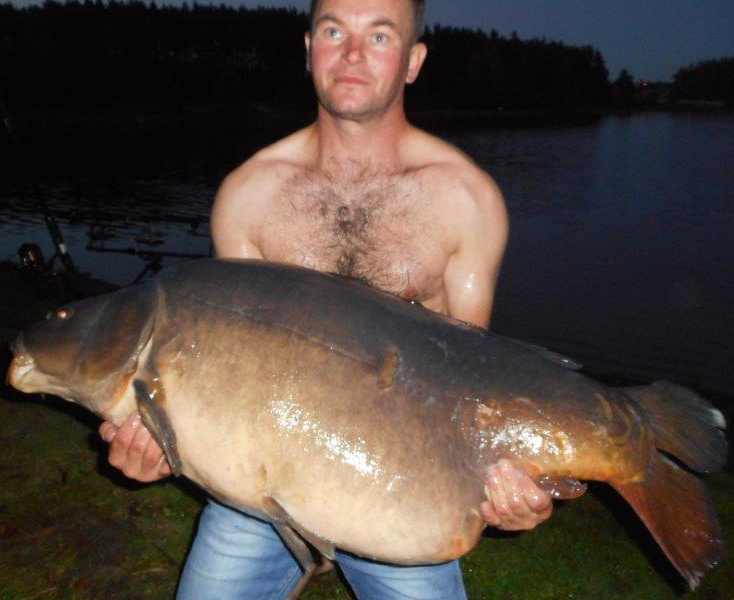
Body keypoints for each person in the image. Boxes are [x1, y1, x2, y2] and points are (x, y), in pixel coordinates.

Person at [99, 0, 553, 597]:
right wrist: (163, 440)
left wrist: (504, 479)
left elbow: (472, 378)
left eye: (380, 36)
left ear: (414, 61)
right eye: (334, 31)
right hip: (258, 481)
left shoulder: (465, 200)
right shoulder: (250, 194)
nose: (353, 54)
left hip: (398, 482)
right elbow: (222, 369)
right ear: (309, 48)